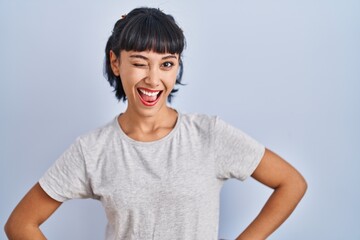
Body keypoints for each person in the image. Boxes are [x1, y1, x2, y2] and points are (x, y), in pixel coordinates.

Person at [4, 7, 307, 240]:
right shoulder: (92, 150)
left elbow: (291, 183)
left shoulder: (209, 135)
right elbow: (19, 224)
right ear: (115, 62)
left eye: (166, 64)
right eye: (139, 63)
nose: (153, 79)